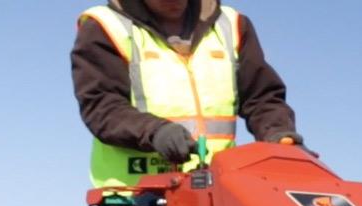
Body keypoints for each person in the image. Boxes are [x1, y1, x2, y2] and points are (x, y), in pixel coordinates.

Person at [71, 0, 303, 188]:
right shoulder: (105, 26)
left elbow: (262, 97)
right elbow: (102, 106)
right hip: (135, 195)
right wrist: (155, 131)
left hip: (218, 192)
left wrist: (279, 135)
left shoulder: (232, 25)